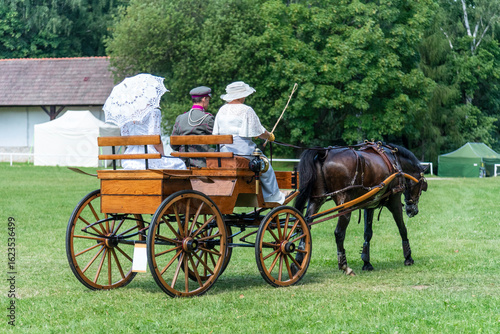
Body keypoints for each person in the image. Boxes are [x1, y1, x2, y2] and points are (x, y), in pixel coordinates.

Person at [213, 81, 286, 204]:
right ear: (241, 95)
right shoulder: (246, 110)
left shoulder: (222, 110)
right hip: (242, 151)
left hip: (224, 152)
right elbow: (258, 132)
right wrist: (269, 136)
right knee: (265, 165)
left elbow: (216, 133)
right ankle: (273, 196)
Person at [171, 86, 214, 167]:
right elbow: (217, 141)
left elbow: (173, 144)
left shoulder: (180, 118)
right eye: (208, 99)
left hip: (182, 163)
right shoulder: (207, 118)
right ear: (204, 99)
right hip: (202, 163)